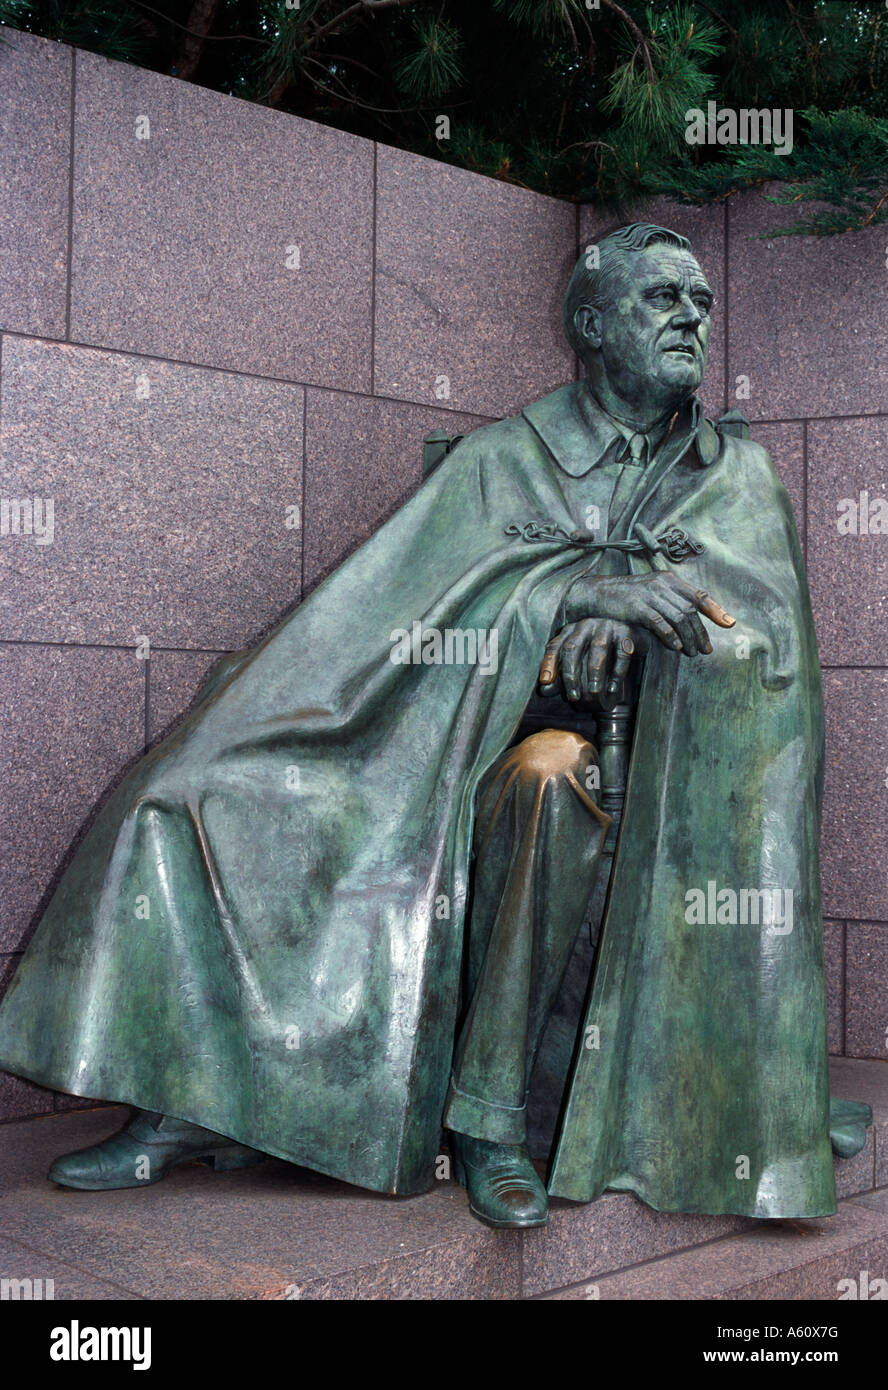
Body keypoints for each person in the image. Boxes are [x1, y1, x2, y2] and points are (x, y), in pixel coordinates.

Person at [0, 224, 869, 1230]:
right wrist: (563, 611)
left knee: (548, 780)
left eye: (702, 302)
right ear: (589, 325)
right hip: (424, 740)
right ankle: (192, 1097)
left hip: (612, 769)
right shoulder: (505, 460)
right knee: (186, 792)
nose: (692, 318)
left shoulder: (732, 477)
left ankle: (490, 1120)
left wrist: (631, 631)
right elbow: (393, 625)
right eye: (660, 299)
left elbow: (763, 655)